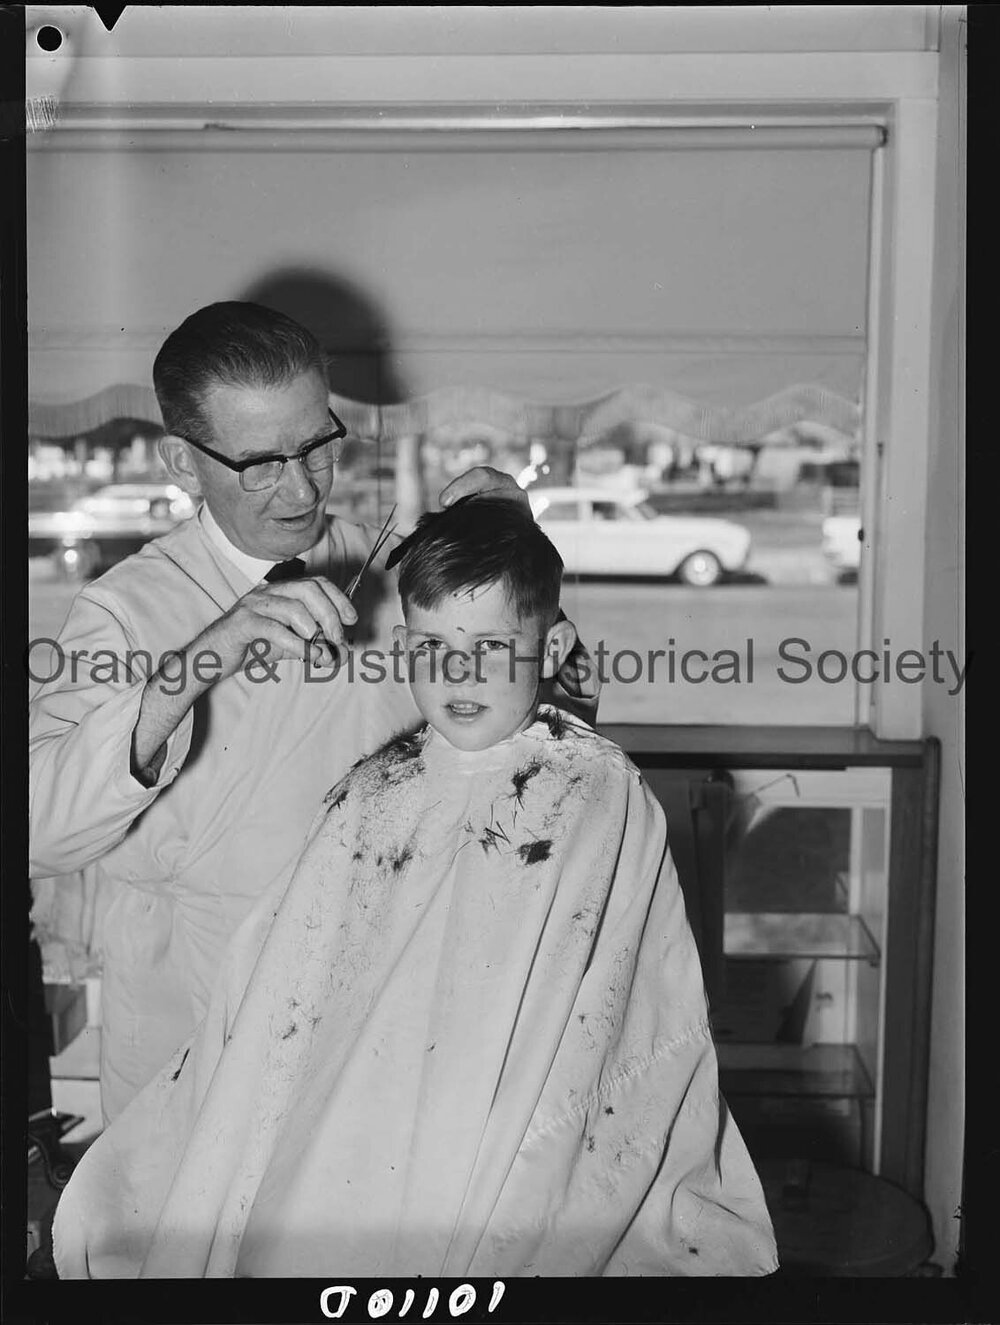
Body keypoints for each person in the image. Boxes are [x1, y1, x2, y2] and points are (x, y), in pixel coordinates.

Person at [52, 496, 777, 1279]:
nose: (458, 672)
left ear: (554, 643)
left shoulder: (595, 793)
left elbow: (608, 1014)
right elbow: (286, 998)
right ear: (402, 645)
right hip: (367, 1119)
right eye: (432, 645)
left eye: (493, 644)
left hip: (521, 1118)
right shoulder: (372, 790)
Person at [29, 302, 597, 1124]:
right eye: (258, 463)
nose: (299, 487)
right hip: (194, 1024)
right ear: (183, 464)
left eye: (316, 444)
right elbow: (40, 830)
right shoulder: (125, 611)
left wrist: (515, 561)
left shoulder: (391, 569)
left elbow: (556, 725)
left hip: (376, 1002)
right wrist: (192, 669)